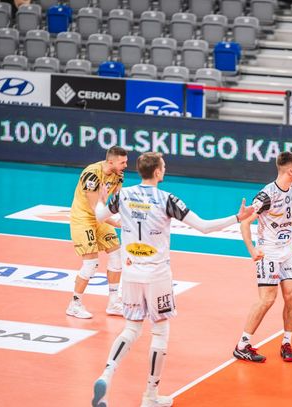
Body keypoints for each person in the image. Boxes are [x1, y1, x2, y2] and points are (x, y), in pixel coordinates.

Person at [91, 152, 254, 407]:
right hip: (157, 275)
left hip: (131, 273)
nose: (165, 169)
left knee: (131, 329)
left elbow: (100, 215)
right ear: (157, 172)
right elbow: (204, 227)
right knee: (160, 333)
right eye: (163, 166)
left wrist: (102, 200)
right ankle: (150, 396)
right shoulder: (167, 199)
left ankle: (106, 375)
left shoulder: (123, 195)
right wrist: (237, 218)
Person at [233, 152, 292, 363]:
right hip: (269, 252)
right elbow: (245, 223)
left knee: (291, 296)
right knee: (267, 299)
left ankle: (286, 342)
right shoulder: (266, 195)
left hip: (288, 250)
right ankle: (242, 346)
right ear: (290, 170)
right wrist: (252, 250)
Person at [66, 146, 128, 319]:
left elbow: (117, 201)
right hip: (84, 218)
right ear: (110, 162)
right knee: (91, 264)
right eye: (122, 162)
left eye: (126, 162)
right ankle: (74, 305)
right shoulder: (91, 175)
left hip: (100, 217)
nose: (125, 165)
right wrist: (117, 222)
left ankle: (113, 303)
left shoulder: (119, 175)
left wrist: (128, 217)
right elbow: (96, 210)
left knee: (116, 255)